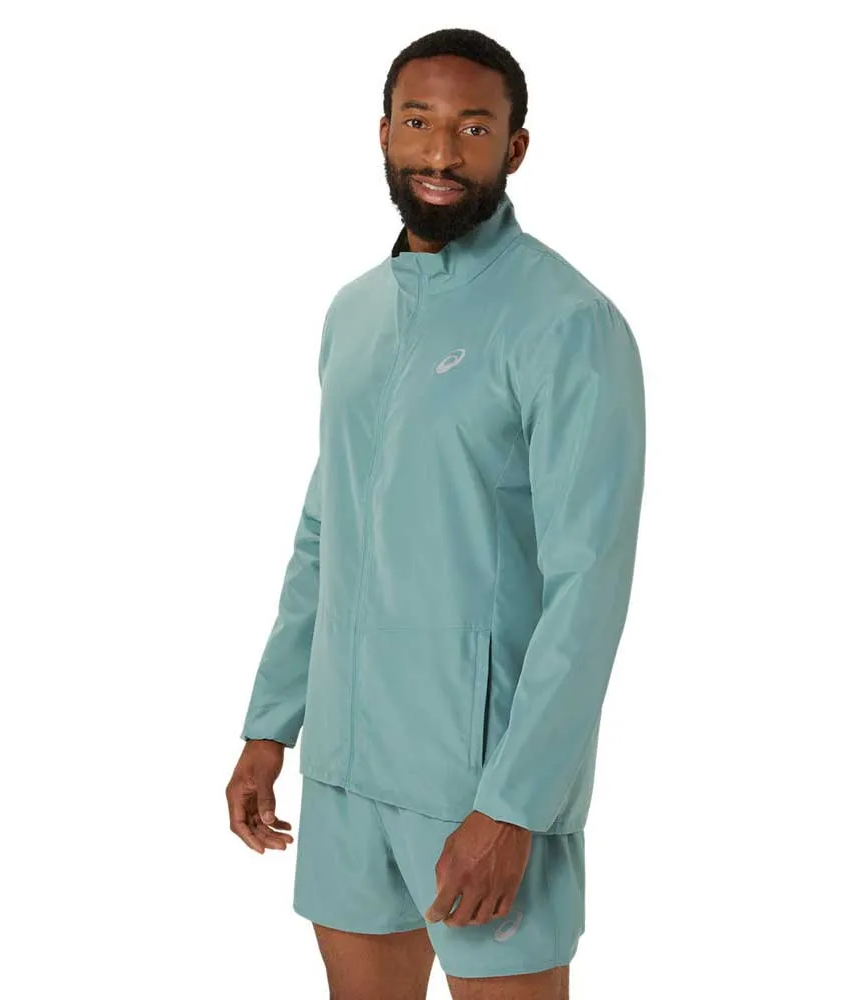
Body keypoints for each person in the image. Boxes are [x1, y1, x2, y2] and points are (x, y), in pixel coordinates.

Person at [225, 27, 646, 1000]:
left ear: (515, 147)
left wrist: (517, 805)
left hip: (477, 779)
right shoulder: (355, 311)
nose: (442, 153)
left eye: (473, 128)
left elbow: (590, 585)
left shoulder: (566, 323)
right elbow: (325, 529)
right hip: (343, 765)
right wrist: (270, 724)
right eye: (419, 123)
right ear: (383, 133)